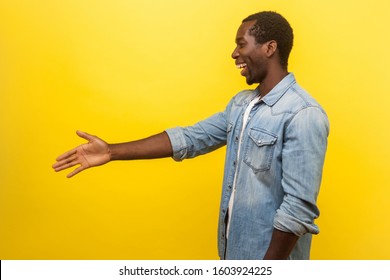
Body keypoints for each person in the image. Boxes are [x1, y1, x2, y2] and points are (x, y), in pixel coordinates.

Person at [52, 11, 329, 260]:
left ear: (269, 48)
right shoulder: (241, 105)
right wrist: (111, 151)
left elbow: (297, 211)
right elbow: (191, 138)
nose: (234, 53)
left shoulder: (303, 114)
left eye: (241, 44)